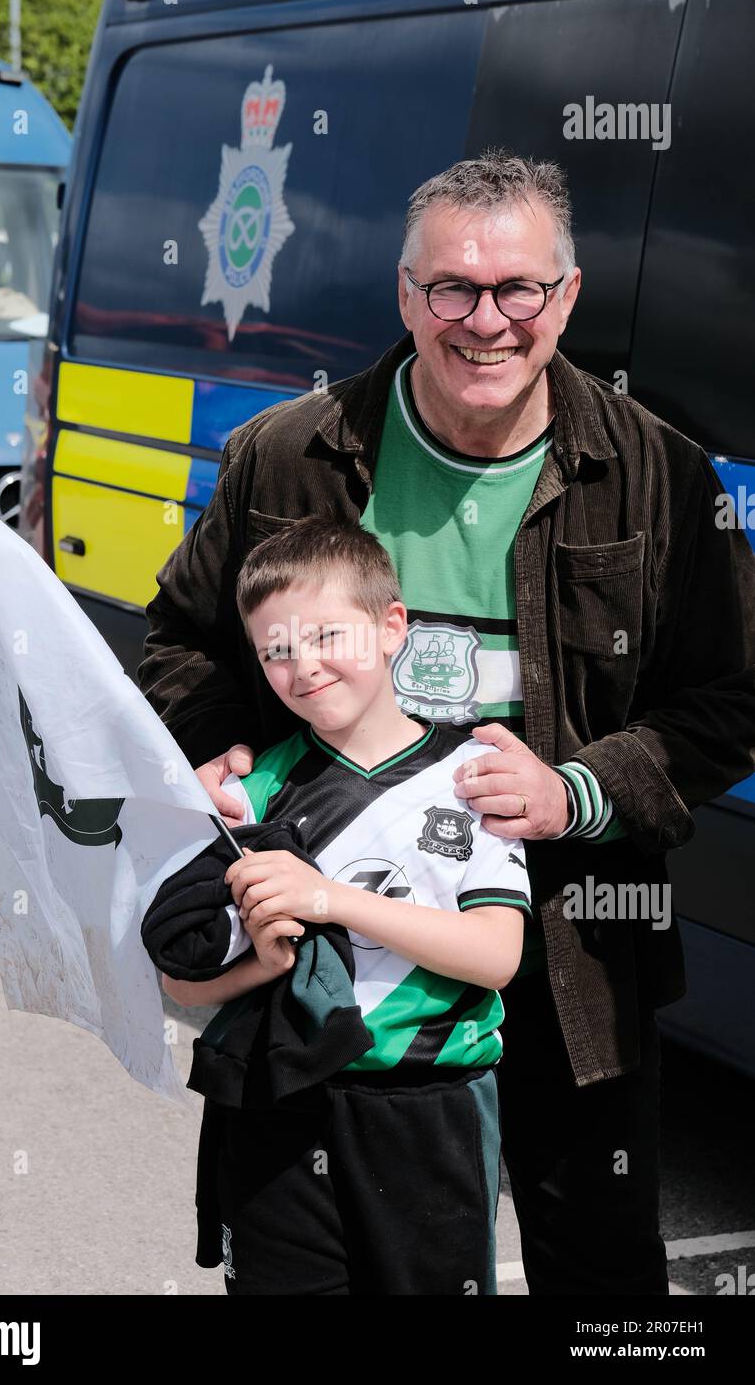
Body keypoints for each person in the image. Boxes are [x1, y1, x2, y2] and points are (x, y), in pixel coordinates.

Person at [139, 149, 755, 1294]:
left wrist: (578, 791)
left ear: (564, 298)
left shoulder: (660, 477)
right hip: (329, 959)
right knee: (324, 1268)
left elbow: (728, 697)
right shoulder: (290, 456)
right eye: (451, 290)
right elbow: (178, 640)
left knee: (602, 1272)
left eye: (517, 288)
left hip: (572, 947)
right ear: (404, 296)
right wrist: (222, 738)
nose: (486, 320)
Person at [160, 515, 531, 1295]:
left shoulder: (475, 777)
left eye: (327, 636)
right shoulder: (247, 794)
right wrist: (260, 963)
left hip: (430, 1111)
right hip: (275, 1109)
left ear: (392, 625)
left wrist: (330, 898)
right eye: (276, 652)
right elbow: (182, 984)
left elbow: (496, 956)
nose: (304, 668)